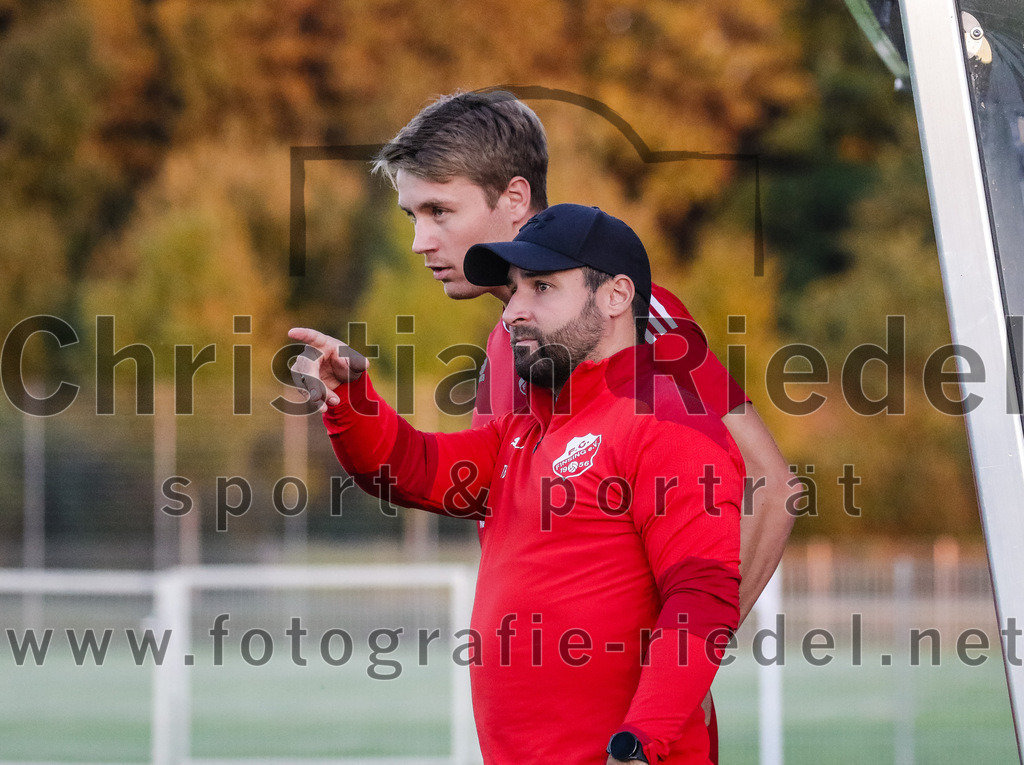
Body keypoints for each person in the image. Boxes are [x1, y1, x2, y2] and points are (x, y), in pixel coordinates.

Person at [289, 203, 743, 764]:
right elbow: (407, 468)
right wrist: (349, 399)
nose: (514, 313)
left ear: (616, 296)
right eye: (516, 289)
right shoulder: (526, 429)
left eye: (543, 288)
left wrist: (639, 743)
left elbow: (701, 598)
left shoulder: (668, 420)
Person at [366, 90, 794, 625]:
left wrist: (682, 658)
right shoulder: (508, 339)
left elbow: (770, 483)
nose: (419, 241)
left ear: (516, 198)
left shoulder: (627, 311)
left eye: (439, 212)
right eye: (412, 215)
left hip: (633, 705)